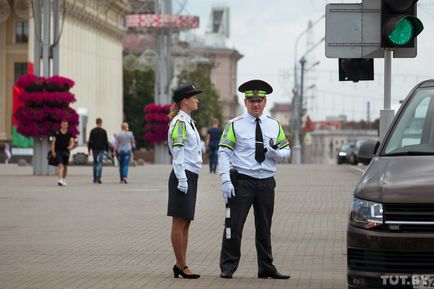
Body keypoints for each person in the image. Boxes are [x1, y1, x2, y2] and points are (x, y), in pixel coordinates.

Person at [218, 79, 291, 279]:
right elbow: (224, 152)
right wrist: (225, 179)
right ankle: (228, 266)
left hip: (266, 182)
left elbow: (286, 151)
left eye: (259, 100)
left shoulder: (274, 125)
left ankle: (266, 267)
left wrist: (275, 154)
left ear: (265, 102)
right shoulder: (235, 125)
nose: (256, 104)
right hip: (242, 181)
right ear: (245, 101)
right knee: (234, 225)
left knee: (264, 227)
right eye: (252, 100)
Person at [167, 84, 203, 279]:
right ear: (184, 101)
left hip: (190, 174)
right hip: (183, 174)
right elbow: (178, 152)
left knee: (186, 221)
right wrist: (181, 178)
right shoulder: (180, 122)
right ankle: (181, 265)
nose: (197, 100)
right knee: (179, 221)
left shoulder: (188, 121)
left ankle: (180, 263)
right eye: (194, 97)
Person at [51, 119, 75, 186]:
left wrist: (71, 146)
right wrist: (53, 151)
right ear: (61, 125)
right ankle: (60, 179)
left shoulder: (69, 133)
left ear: (67, 126)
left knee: (65, 166)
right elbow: (53, 142)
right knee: (60, 165)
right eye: (63, 124)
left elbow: (72, 142)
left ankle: (64, 179)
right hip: (58, 151)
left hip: (66, 152)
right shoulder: (56, 133)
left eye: (66, 125)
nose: (64, 126)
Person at [88, 117, 109, 184]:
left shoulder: (92, 131)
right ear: (101, 123)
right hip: (101, 148)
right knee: (100, 163)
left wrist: (89, 149)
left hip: (94, 148)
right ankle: (99, 178)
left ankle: (94, 178)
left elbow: (90, 141)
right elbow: (106, 141)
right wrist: (107, 149)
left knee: (95, 162)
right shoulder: (104, 131)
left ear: (96, 122)